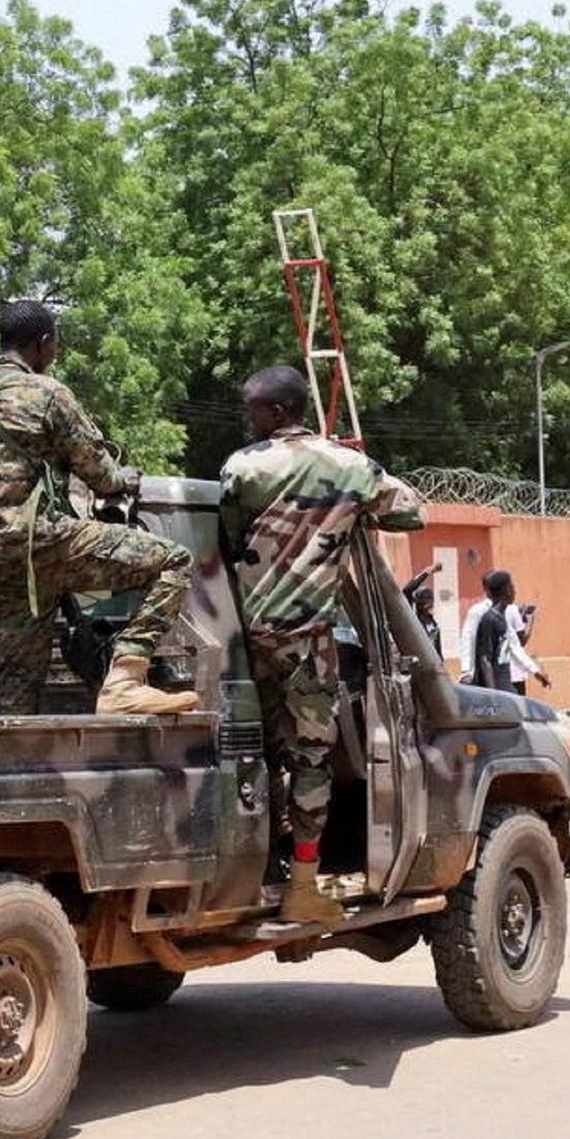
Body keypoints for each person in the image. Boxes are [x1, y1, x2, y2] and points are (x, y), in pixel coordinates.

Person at [218, 367, 423, 924]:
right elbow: (411, 511)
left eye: (253, 409)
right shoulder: (349, 466)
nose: (247, 418)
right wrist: (349, 509)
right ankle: (304, 884)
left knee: (256, 754)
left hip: (246, 638)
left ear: (279, 411)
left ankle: (261, 864)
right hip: (308, 640)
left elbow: (230, 537)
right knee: (312, 760)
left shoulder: (243, 467)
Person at [0, 300, 196, 715]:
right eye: (55, 345)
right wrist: (124, 478)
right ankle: (125, 680)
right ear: (42, 343)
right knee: (175, 562)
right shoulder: (48, 394)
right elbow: (100, 473)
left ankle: (15, 750)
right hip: (48, 542)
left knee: (17, 695)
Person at [462, 572, 550, 695]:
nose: (515, 591)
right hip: (489, 682)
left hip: (505, 679)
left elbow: (515, 645)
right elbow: (472, 644)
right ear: (505, 591)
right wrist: (467, 671)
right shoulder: (482, 614)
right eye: (512, 587)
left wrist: (536, 671)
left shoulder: (503, 615)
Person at [401, 563, 443, 659]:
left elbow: (438, 652)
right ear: (418, 602)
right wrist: (427, 571)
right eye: (425, 599)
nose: (429, 603)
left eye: (430, 599)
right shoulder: (413, 620)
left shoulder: (434, 624)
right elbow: (407, 589)